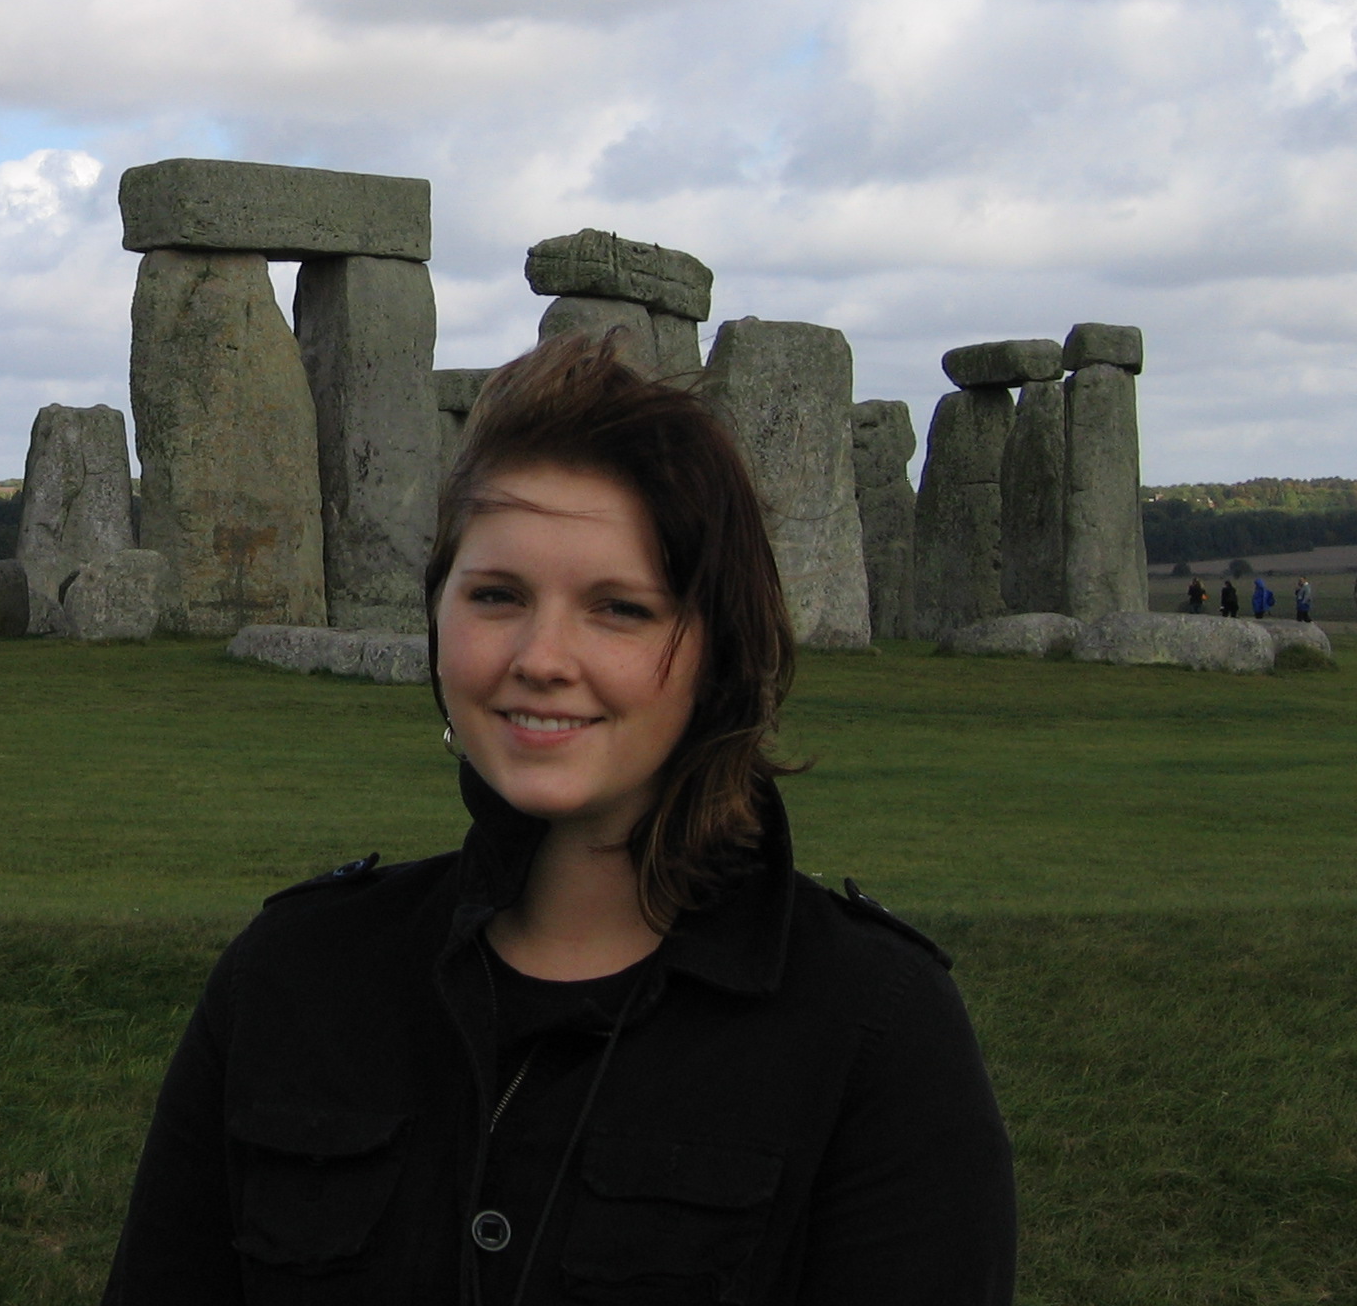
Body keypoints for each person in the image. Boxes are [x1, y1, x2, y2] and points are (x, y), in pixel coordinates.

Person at [103, 337, 1017, 1304]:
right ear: (438, 618)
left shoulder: (871, 1026)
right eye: (497, 596)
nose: (542, 657)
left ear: (720, 650)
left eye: (619, 609)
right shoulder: (292, 977)